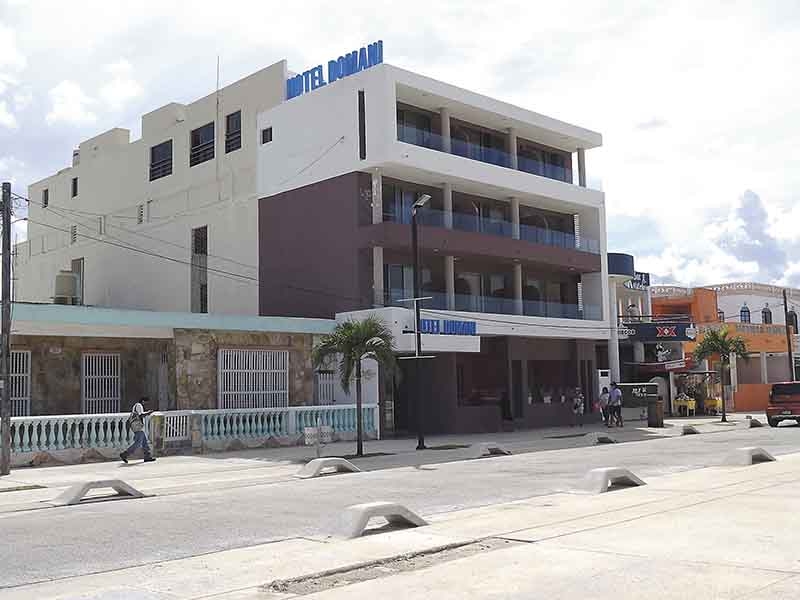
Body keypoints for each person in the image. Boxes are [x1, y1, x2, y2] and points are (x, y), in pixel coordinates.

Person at [120, 397, 156, 463]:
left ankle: (147, 456)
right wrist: (148, 413)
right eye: (146, 403)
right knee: (138, 443)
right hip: (137, 426)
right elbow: (141, 415)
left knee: (144, 442)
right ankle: (125, 454)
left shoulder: (135, 406)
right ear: (143, 401)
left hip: (137, 426)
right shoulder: (139, 405)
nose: (146, 405)